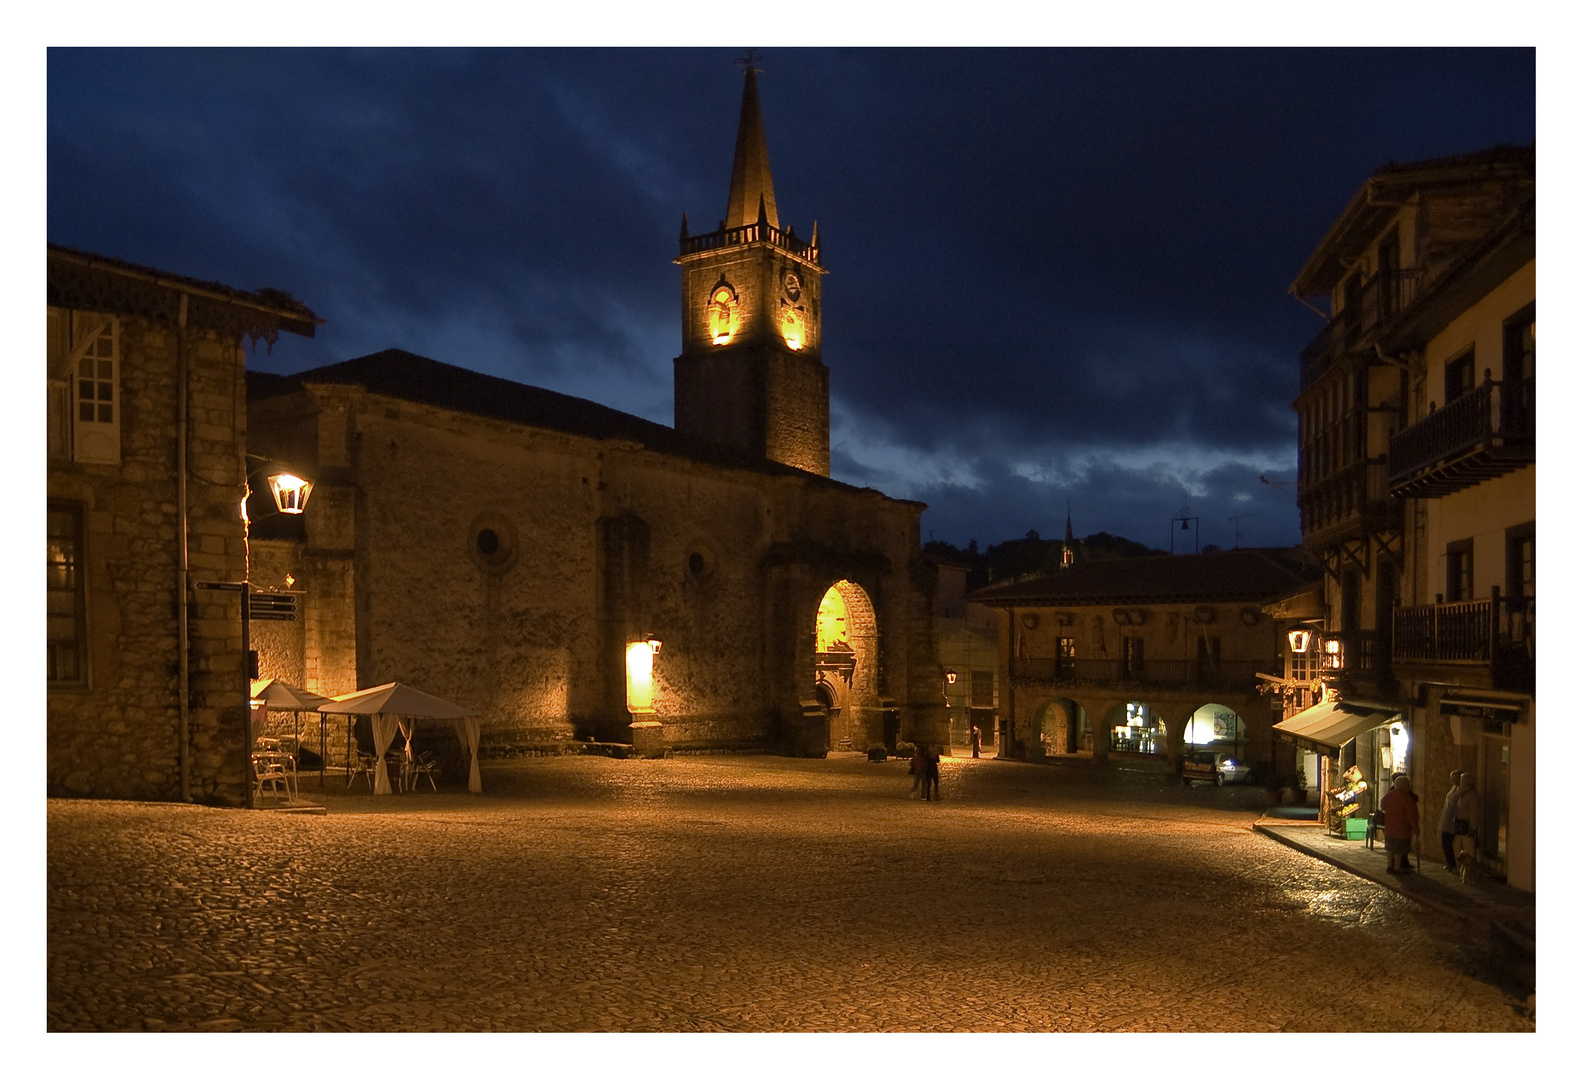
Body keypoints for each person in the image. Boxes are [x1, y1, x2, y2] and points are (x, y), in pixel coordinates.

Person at [1378, 773, 1419, 875]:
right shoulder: (1407, 798)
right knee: (1398, 849)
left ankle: (1390, 866)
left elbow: (1383, 805)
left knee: (1390, 847)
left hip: (1389, 826)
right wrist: (1415, 829)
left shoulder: (1389, 795)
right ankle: (1397, 867)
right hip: (1402, 828)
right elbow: (1412, 815)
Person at [1453, 772, 1482, 876]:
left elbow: (1474, 813)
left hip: (1467, 827)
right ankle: (1461, 870)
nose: (1460, 783)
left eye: (1462, 781)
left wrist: (1473, 828)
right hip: (1460, 826)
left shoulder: (1472, 796)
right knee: (1457, 848)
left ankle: (1468, 872)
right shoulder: (1463, 794)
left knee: (1468, 851)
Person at [1438, 769, 1463, 872]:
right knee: (1445, 841)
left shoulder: (1461, 790)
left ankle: (1454, 864)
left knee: (1450, 841)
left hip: (1454, 820)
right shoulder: (1454, 788)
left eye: (1453, 778)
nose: (1451, 780)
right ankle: (1450, 862)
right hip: (1448, 818)